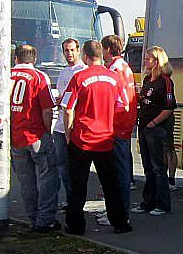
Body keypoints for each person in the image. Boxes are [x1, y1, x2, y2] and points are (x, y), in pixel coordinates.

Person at [63, 39, 132, 235]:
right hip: (105, 139)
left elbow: (68, 109)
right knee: (111, 185)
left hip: (82, 139)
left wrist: (68, 133)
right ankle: (120, 223)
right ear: (101, 55)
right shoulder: (113, 77)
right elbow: (124, 106)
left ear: (85, 55)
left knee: (77, 186)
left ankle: (76, 225)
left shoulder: (79, 77)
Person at [10, 44, 59, 232]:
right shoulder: (39, 77)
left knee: (25, 180)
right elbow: (47, 109)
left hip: (16, 135)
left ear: (16, 58)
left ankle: (32, 217)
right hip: (36, 133)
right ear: (34, 59)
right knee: (48, 177)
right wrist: (47, 131)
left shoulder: (7, 75)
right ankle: (45, 220)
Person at [101, 34, 139, 219]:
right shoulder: (124, 66)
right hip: (125, 122)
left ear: (107, 49)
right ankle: (119, 212)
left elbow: (117, 99)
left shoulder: (114, 69)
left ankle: (119, 214)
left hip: (117, 124)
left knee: (118, 172)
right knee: (122, 169)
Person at [138, 46, 176, 216]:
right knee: (147, 166)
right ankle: (148, 202)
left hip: (156, 128)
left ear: (157, 61)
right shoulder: (147, 80)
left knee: (158, 168)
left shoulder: (165, 81)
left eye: (149, 59)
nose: (145, 62)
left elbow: (168, 108)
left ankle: (162, 204)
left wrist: (153, 123)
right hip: (144, 125)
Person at [52, 39, 86, 207]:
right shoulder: (63, 72)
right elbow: (62, 95)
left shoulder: (83, 70)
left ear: (78, 51)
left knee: (75, 166)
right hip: (59, 126)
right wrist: (59, 100)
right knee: (61, 165)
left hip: (74, 125)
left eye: (72, 50)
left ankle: (76, 200)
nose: (69, 53)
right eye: (66, 50)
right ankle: (69, 198)